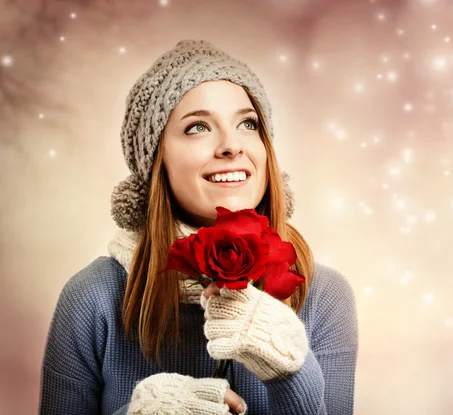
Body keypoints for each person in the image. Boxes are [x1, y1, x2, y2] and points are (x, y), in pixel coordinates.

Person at [39, 39, 358, 414]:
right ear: (158, 161)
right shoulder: (92, 298)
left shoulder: (323, 295)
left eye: (247, 123)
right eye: (197, 127)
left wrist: (291, 370)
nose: (231, 146)